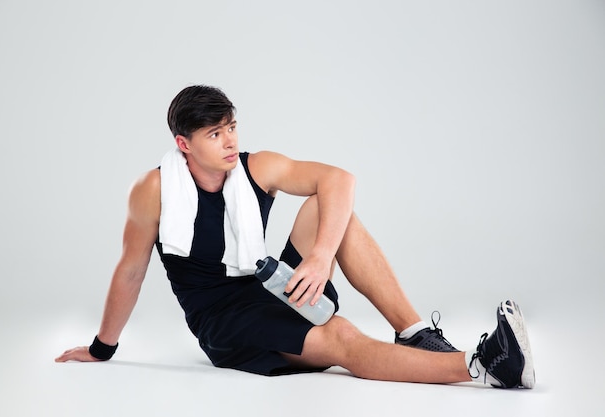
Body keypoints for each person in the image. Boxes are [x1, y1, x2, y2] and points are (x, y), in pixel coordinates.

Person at [55, 85, 535, 389]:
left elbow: (340, 179)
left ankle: (415, 335)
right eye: (215, 134)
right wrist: (102, 348)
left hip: (268, 283)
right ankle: (483, 364)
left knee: (325, 208)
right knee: (342, 335)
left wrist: (321, 256)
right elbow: (132, 269)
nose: (230, 142)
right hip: (225, 323)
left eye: (232, 128)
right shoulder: (154, 191)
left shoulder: (255, 166)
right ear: (184, 144)